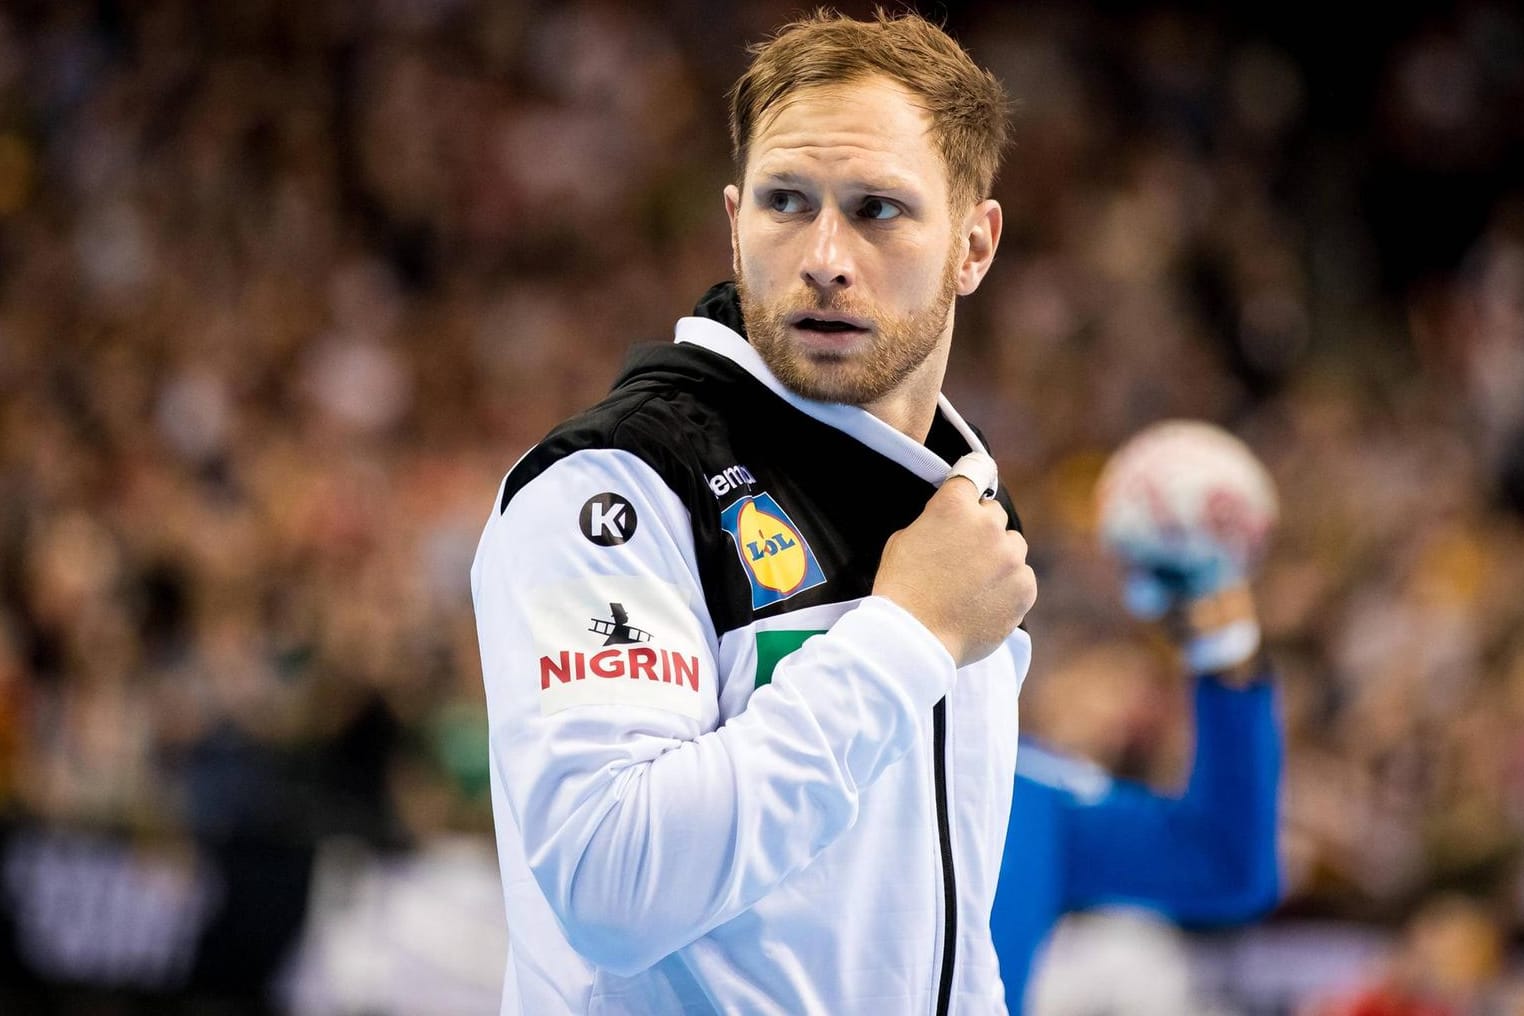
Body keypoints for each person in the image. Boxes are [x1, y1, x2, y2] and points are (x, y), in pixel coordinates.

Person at [471, 10, 1036, 1015]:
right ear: (735, 224)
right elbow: (614, 884)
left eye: (877, 209)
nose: (825, 254)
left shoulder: (967, 519)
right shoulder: (617, 483)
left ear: (974, 244)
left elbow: (931, 930)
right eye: (787, 201)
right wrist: (906, 636)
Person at [993, 580, 1283, 1013]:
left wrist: (1227, 652)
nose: (1113, 708)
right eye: (1102, 678)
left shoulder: (1036, 796)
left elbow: (1222, 861)